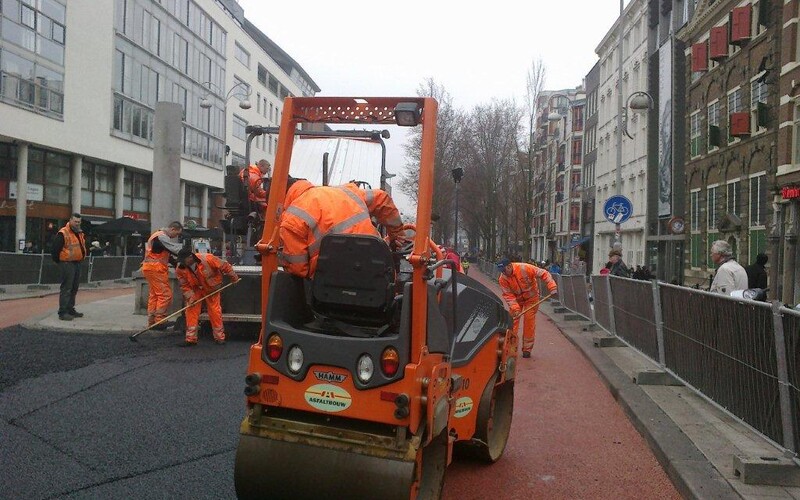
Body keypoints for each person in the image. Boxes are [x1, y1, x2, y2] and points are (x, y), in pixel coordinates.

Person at [278, 178, 406, 278]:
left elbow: (298, 270)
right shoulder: (346, 191)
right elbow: (382, 199)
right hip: (378, 278)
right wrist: (397, 235)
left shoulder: (291, 220)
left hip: (330, 293)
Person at [175, 248, 239, 346]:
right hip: (196, 289)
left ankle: (219, 338)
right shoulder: (180, 268)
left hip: (211, 288)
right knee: (191, 310)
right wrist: (191, 297)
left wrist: (233, 277)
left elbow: (225, 266)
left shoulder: (208, 259)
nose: (181, 263)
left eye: (183, 260)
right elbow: (184, 285)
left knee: (214, 311)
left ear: (190, 257)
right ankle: (190, 339)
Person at [496, 258, 558, 359]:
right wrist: (515, 309)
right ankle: (511, 348)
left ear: (509, 266)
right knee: (513, 321)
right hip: (517, 300)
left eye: (504, 270)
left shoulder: (525, 268)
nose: (503, 273)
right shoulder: (502, 279)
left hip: (531, 299)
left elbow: (544, 273)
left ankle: (527, 349)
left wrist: (552, 287)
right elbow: (508, 295)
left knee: (529, 320)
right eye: (501, 271)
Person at [141, 221, 184, 329]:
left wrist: (174, 263)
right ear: (173, 229)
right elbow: (173, 249)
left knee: (155, 295)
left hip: (151, 268)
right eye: (177, 234)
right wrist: (187, 254)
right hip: (156, 268)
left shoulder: (157, 236)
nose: (176, 236)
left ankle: (152, 321)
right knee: (165, 294)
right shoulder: (162, 237)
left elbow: (165, 254)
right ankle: (160, 321)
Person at [51, 213, 87, 321]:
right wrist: (60, 262)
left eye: (79, 222)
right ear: (70, 220)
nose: (77, 224)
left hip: (76, 262)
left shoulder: (79, 233)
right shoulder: (63, 233)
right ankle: (63, 312)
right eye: (75, 221)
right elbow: (55, 250)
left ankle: (70, 309)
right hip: (67, 263)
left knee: (74, 287)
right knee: (67, 287)